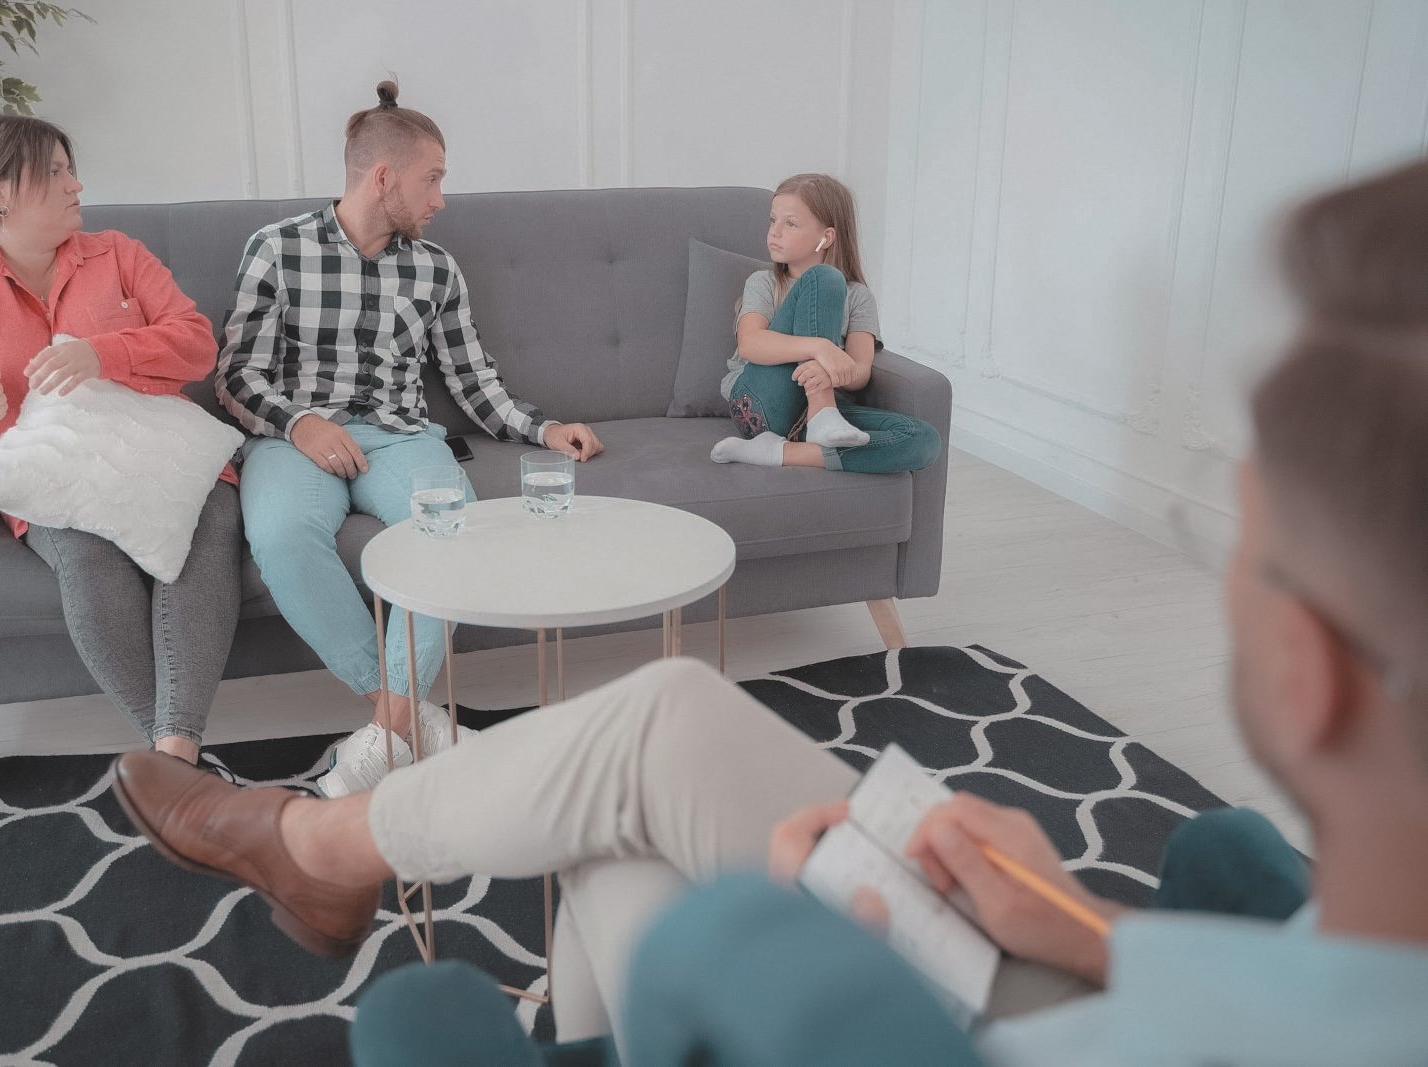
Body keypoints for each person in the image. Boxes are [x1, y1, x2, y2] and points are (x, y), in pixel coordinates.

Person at [114, 160, 1428, 1064]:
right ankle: (344, 844)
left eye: (1236, 533)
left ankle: (323, 843)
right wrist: (1081, 924)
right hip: (1098, 985)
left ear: (1307, 666)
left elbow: (475, 373)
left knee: (628, 795)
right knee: (638, 744)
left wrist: (777, 953)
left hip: (944, 1027)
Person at [215, 80, 604, 797]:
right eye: (433, 179)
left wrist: (541, 427)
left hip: (399, 437)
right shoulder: (277, 250)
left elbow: (471, 376)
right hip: (294, 436)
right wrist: (300, 423)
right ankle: (415, 723)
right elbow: (236, 374)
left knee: (450, 529)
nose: (441, 200)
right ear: (383, 176)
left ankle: (386, 735)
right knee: (280, 534)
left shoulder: (435, 268)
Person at [0, 114, 241, 766]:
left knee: (204, 532)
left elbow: (197, 344)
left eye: (70, 169)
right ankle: (178, 760)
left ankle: (171, 763)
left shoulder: (120, 254)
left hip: (164, 452)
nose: (76, 185)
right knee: (89, 558)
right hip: (52, 471)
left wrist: (104, 353)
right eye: (55, 172)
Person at [710, 173, 941, 474]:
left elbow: (859, 372)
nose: (774, 232)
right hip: (759, 404)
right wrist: (821, 348)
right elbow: (751, 344)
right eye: (772, 220)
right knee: (824, 278)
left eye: (790, 223)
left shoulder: (858, 297)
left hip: (818, 415)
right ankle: (821, 413)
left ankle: (783, 451)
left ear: (827, 237)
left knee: (923, 440)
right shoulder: (763, 283)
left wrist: (833, 371)